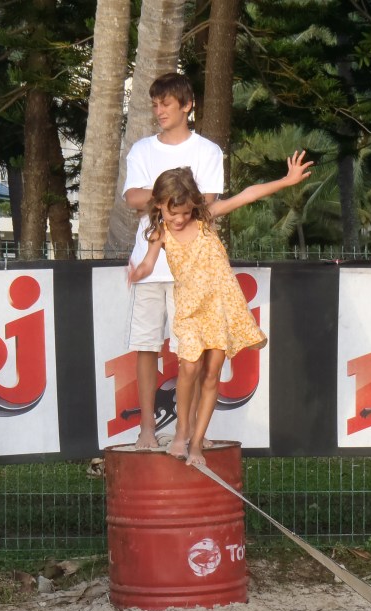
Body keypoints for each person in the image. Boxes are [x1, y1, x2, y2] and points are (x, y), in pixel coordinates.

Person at [129, 151, 314, 466]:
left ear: (193, 206)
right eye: (173, 213)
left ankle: (197, 443)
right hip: (189, 309)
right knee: (188, 367)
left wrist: (286, 180)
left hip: (219, 306)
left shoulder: (205, 219)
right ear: (158, 205)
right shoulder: (160, 233)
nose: (179, 220)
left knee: (211, 374)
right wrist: (137, 272)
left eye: (185, 212)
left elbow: (246, 195)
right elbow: (148, 263)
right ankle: (182, 432)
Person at [123, 72, 224, 449]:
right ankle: (147, 430)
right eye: (155, 104)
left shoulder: (208, 151)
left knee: (191, 356)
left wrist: (157, 199)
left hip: (192, 270)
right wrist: (172, 195)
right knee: (146, 346)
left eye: (166, 103)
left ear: (187, 105)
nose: (159, 110)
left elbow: (207, 203)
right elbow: (131, 198)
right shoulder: (142, 150)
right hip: (149, 266)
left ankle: (189, 433)